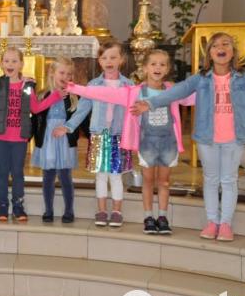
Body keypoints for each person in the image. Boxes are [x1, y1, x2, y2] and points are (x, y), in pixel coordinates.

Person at [131, 33, 245, 241]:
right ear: (209, 53)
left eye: (226, 44)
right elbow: (176, 92)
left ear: (233, 51)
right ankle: (212, 222)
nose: (220, 48)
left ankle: (225, 224)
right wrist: (150, 103)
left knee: (229, 180)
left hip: (234, 138)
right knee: (210, 180)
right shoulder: (200, 78)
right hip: (207, 137)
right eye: (215, 45)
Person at [68, 49, 195, 234]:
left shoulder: (172, 90)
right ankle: (148, 217)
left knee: (165, 182)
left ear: (167, 69)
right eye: (153, 64)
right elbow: (104, 94)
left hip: (169, 144)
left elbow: (193, 96)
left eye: (162, 64)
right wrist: (75, 88)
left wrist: (214, 86)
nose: (158, 68)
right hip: (147, 144)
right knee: (147, 181)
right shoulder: (135, 91)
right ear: (145, 68)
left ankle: (162, 217)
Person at [0, 47, 62, 222]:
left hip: (20, 138)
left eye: (14, 61)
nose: (10, 64)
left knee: (17, 173)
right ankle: (1, 207)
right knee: (1, 173)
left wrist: (55, 96)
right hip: (1, 137)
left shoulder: (27, 86)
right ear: (1, 64)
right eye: (6, 61)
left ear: (21, 64)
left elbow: (36, 108)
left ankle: (18, 207)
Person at [55, 41, 133, 228]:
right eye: (104, 58)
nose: (109, 61)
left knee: (116, 176)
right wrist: (68, 126)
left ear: (121, 60)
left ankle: (117, 211)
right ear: (99, 61)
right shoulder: (93, 84)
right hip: (99, 135)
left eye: (113, 57)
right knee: (101, 176)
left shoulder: (128, 85)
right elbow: (82, 109)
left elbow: (134, 112)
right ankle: (101, 210)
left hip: (119, 135)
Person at [31, 57, 79, 223]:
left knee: (65, 176)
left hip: (65, 140)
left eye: (69, 74)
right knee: (48, 176)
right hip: (48, 140)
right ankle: (48, 210)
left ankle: (69, 210)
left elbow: (79, 119)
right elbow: (36, 116)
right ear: (52, 73)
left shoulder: (74, 97)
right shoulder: (43, 94)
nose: (65, 76)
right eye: (62, 72)